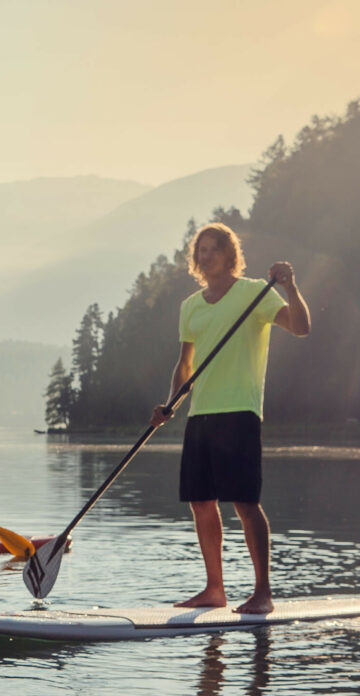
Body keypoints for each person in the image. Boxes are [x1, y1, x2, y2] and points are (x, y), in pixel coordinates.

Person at [149, 223, 310, 614]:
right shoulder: (190, 306)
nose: (206, 257)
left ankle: (263, 593)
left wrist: (290, 286)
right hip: (200, 414)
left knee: (244, 502)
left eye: (213, 249)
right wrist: (170, 404)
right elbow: (185, 364)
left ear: (229, 253)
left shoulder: (255, 293)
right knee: (201, 503)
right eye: (200, 250)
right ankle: (214, 590)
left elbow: (301, 327)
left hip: (239, 411)